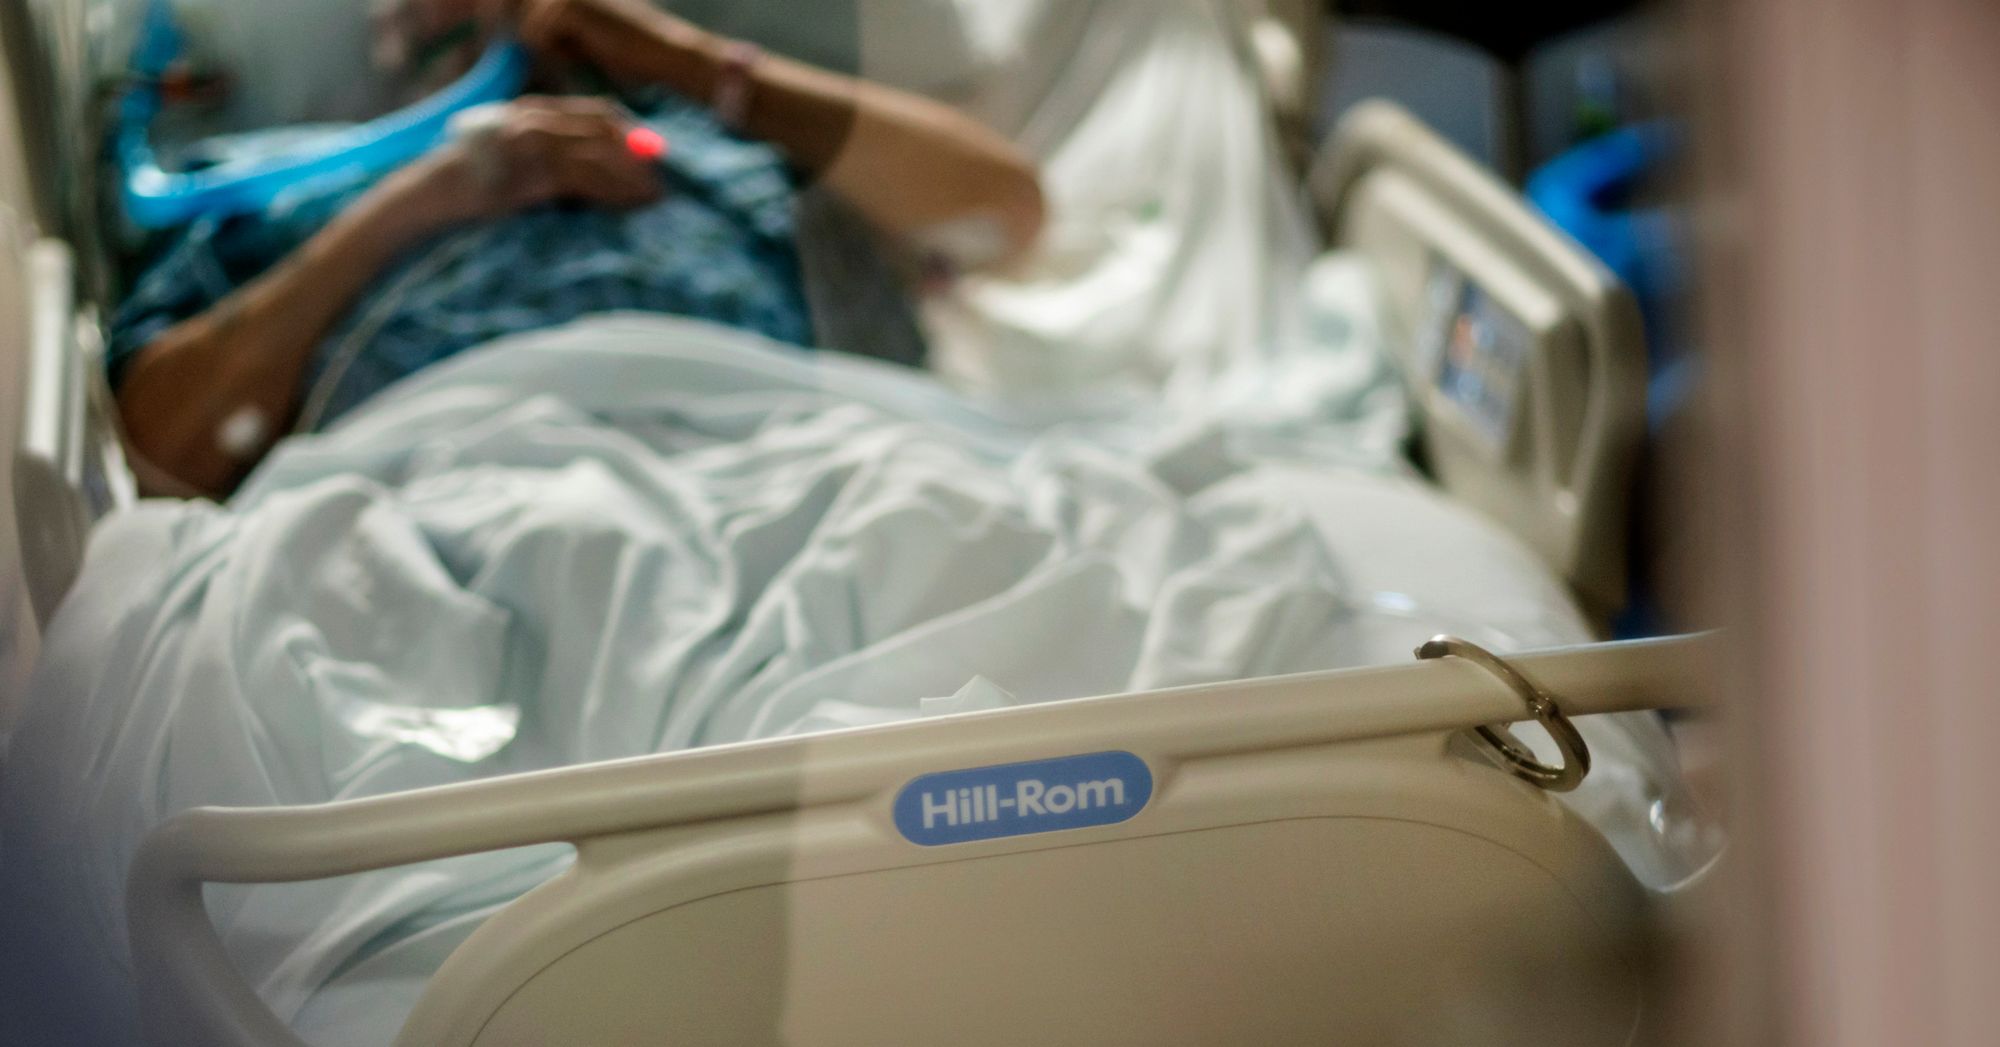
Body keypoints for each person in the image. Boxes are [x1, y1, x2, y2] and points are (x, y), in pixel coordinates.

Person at [111, 0, 1046, 498]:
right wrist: (421, 198)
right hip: (441, 512)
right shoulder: (283, 191)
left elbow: (1005, 211)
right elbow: (161, 450)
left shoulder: (718, 142)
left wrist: (674, 55)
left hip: (806, 476)